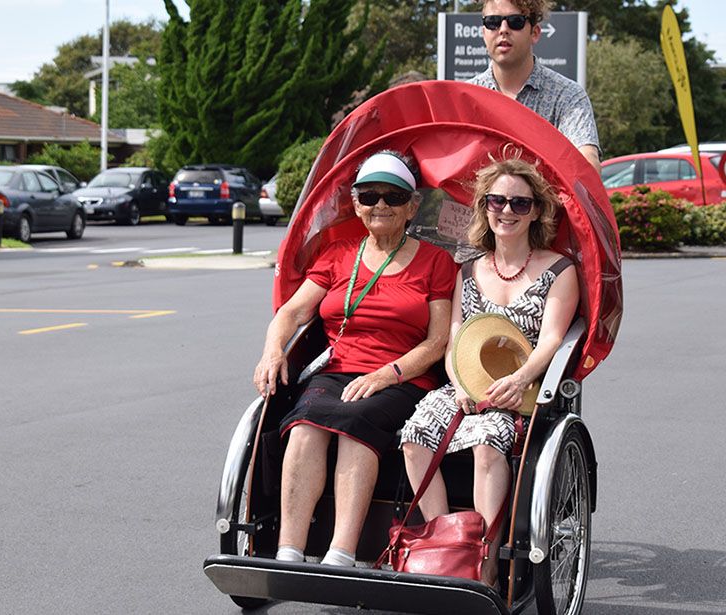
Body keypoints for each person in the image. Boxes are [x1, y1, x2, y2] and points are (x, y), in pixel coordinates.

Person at [254, 151, 457, 567]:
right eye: (370, 196)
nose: (381, 205)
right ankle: (289, 550)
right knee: (305, 423)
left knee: (354, 421)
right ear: (356, 204)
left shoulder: (436, 261)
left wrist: (386, 374)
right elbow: (291, 313)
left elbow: (437, 342)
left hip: (403, 376)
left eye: (393, 197)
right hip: (338, 369)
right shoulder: (338, 255)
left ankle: (341, 553)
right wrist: (272, 350)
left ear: (412, 206)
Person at [400, 153, 579, 587]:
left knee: (486, 440)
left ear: (536, 210)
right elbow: (456, 335)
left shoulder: (559, 269)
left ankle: (486, 561)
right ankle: (448, 545)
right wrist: (459, 383)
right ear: (484, 207)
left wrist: (519, 379)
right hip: (467, 382)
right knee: (414, 434)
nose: (507, 211)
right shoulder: (470, 268)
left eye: (519, 203)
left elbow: (553, 340)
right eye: (497, 201)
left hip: (523, 387)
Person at [470, 0, 601, 172]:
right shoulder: (467, 96)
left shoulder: (568, 96)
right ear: (483, 33)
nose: (503, 30)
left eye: (515, 21)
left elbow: (587, 164)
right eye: (492, 22)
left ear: (535, 33)